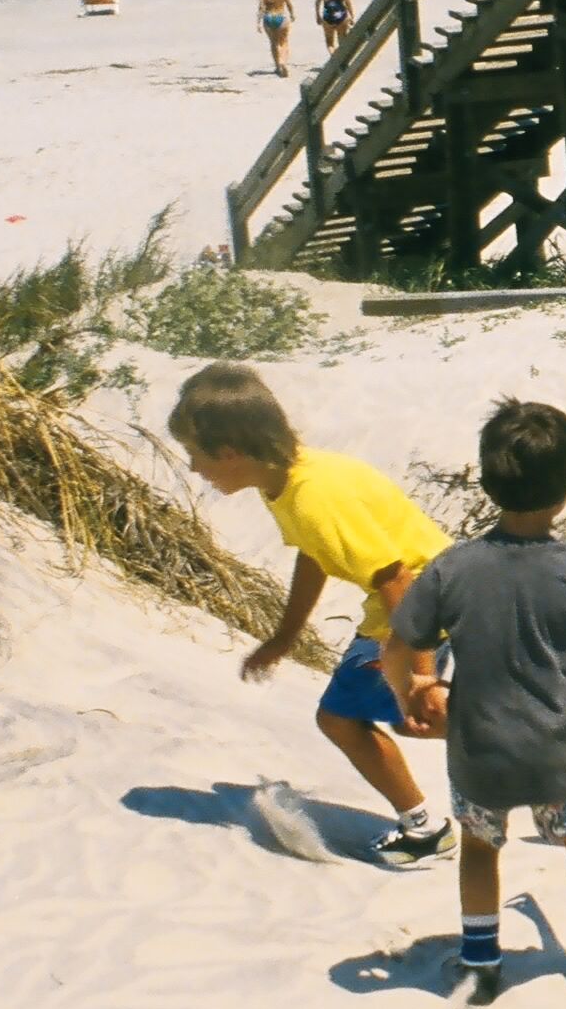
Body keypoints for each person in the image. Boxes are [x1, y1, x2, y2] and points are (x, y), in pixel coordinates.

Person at [384, 399, 566, 1007]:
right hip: (562, 751)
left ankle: (480, 967)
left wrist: (414, 691)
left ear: (486, 478)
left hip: (481, 752)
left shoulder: (453, 569)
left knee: (479, 848)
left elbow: (400, 645)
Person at [168, 365, 459, 866]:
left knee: (352, 716)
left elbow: (394, 578)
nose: (195, 469)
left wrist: (422, 671)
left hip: (421, 602)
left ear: (231, 453)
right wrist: (285, 635)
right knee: (380, 715)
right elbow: (315, 554)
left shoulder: (313, 497)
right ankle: (517, 744)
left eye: (196, 457)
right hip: (432, 594)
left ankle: (428, 828)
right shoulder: (288, 480)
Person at [257, 0, 295, 77]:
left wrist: (258, 23)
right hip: (280, 17)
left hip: (268, 18)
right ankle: (283, 62)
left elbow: (261, 8)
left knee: (274, 43)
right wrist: (292, 14)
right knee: (284, 42)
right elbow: (289, 4)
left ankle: (278, 66)